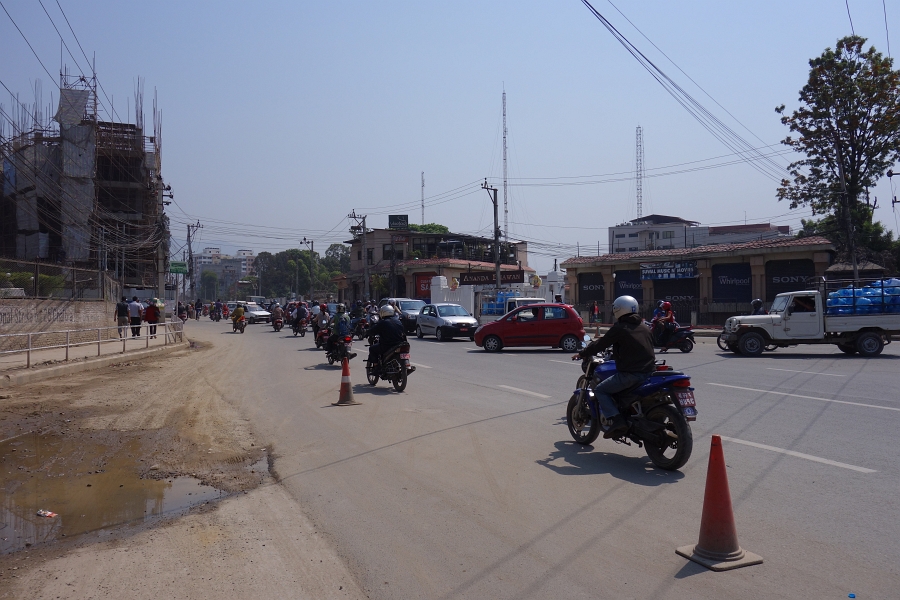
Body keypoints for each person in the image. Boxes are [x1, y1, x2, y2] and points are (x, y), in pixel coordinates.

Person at [574, 295, 656, 439]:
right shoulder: (644, 327)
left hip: (631, 374)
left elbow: (601, 344)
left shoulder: (620, 328)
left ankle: (617, 420)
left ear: (618, 310)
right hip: (649, 373)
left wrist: (583, 353)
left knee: (600, 390)